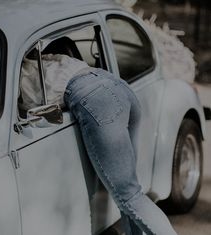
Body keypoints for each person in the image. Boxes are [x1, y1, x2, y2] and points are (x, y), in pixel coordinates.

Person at [20, 53, 178, 235]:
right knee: (131, 192)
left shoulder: (17, 74)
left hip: (96, 98)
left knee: (128, 196)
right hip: (116, 85)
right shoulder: (42, 57)